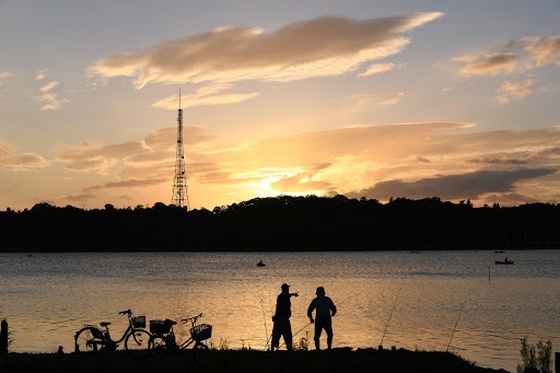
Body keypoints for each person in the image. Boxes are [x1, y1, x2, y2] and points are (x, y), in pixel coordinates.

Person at [307, 286, 337, 350]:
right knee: (329, 334)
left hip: (319, 319)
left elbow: (309, 311)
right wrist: (333, 313)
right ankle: (329, 348)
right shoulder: (327, 299)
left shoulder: (315, 300)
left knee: (317, 336)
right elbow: (334, 309)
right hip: (327, 319)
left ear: (317, 293)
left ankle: (317, 349)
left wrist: (311, 319)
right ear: (323, 293)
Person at [271, 283, 298, 350]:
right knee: (287, 335)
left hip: (278, 318)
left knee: (276, 335)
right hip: (284, 319)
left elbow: (288, 295)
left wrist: (293, 294)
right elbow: (287, 296)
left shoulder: (280, 296)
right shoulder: (285, 296)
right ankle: (289, 348)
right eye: (288, 288)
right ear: (286, 289)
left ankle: (272, 349)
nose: (289, 289)